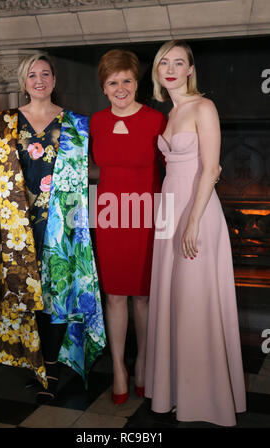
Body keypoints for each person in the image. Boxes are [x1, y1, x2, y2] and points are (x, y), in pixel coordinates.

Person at [0, 53, 106, 404]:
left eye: (45, 74)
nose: (39, 80)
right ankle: (31, 360)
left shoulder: (75, 124)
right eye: (32, 75)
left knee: (54, 295)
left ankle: (50, 366)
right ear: (24, 82)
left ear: (54, 79)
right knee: (23, 291)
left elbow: (88, 171)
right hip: (16, 225)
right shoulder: (7, 122)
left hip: (60, 224)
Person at [145, 40, 246, 426]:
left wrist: (192, 221)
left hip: (198, 212)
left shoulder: (204, 107)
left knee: (194, 302)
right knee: (173, 301)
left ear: (190, 69)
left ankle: (205, 399)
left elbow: (211, 169)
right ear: (157, 71)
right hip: (170, 210)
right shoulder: (169, 114)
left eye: (178, 62)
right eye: (163, 63)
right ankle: (175, 391)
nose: (170, 68)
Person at [89, 49, 166, 405]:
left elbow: (173, 170)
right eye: (112, 82)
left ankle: (144, 366)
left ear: (138, 83)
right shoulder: (95, 122)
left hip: (148, 215)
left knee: (145, 297)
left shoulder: (157, 119)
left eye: (127, 81)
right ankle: (118, 367)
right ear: (104, 88)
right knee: (115, 294)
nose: (120, 88)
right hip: (107, 214)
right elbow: (92, 171)